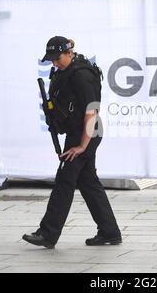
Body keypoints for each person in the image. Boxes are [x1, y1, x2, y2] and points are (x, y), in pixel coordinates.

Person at [23, 36, 122, 249]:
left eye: (57, 58)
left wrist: (83, 146)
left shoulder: (82, 75)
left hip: (87, 132)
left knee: (65, 181)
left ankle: (48, 234)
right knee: (88, 182)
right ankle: (109, 232)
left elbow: (92, 111)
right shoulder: (65, 72)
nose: (54, 63)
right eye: (51, 60)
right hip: (80, 132)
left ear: (69, 53)